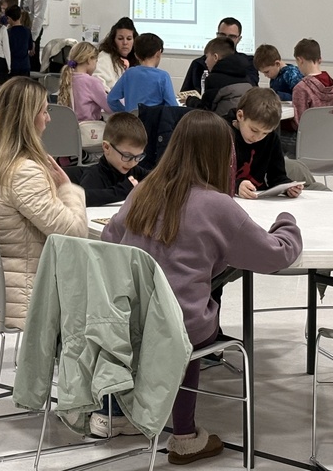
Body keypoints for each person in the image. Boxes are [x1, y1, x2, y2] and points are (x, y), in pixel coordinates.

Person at [101, 110, 302, 464]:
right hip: (181, 327)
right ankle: (184, 437)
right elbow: (276, 255)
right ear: (221, 154)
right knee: (188, 320)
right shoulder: (217, 205)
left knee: (173, 315)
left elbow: (110, 237)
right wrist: (287, 222)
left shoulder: (143, 190)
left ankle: (121, 414)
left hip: (131, 319)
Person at [0, 77, 88, 330]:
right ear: (27, 119)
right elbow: (75, 234)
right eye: (44, 111)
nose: (48, 119)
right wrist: (66, 188)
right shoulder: (23, 172)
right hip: (20, 305)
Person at [232, 88, 302, 199]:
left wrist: (287, 187)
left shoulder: (271, 138)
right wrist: (235, 186)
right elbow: (210, 179)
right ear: (240, 116)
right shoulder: (222, 133)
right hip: (228, 199)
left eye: (265, 133)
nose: (258, 138)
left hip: (259, 198)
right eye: (254, 130)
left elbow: (277, 176)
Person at [76, 112, 151, 207]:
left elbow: (157, 178)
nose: (132, 163)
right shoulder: (94, 174)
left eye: (138, 157)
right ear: (107, 147)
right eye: (127, 156)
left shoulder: (134, 171)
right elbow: (83, 198)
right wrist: (123, 191)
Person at [180, 17, 258, 93]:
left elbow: (252, 91)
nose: (226, 39)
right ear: (217, 35)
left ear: (239, 39)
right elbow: (185, 94)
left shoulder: (248, 63)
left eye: (232, 36)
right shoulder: (199, 64)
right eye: (222, 35)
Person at [108, 33, 177, 112]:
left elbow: (111, 99)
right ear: (158, 54)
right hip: (154, 119)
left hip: (132, 119)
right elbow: (173, 106)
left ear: (136, 55)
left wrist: (126, 114)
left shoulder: (129, 73)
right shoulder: (163, 76)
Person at [195, 36, 258, 117]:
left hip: (221, 122)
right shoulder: (245, 75)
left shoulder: (214, 79)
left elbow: (205, 110)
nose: (205, 61)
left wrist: (191, 101)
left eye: (207, 57)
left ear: (215, 57)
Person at [291, 38, 333, 124]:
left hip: (310, 132)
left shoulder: (301, 88)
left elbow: (299, 123)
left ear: (300, 60)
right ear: (320, 59)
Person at [57, 41, 111, 122]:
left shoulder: (66, 78)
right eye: (96, 61)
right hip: (89, 127)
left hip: (70, 126)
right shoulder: (92, 82)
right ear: (89, 60)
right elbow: (110, 108)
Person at [16, 0, 49, 72]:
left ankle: (34, 83)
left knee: (31, 62)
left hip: (31, 29)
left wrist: (33, 39)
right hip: (19, 26)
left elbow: (38, 16)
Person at [94, 18, 137, 92]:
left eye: (129, 39)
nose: (125, 43)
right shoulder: (104, 58)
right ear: (113, 40)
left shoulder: (136, 58)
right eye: (120, 39)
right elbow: (97, 82)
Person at [5, 5, 32, 78]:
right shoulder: (27, 31)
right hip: (25, 65)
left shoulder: (8, 32)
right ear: (20, 16)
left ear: (9, 18)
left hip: (13, 65)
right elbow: (30, 47)